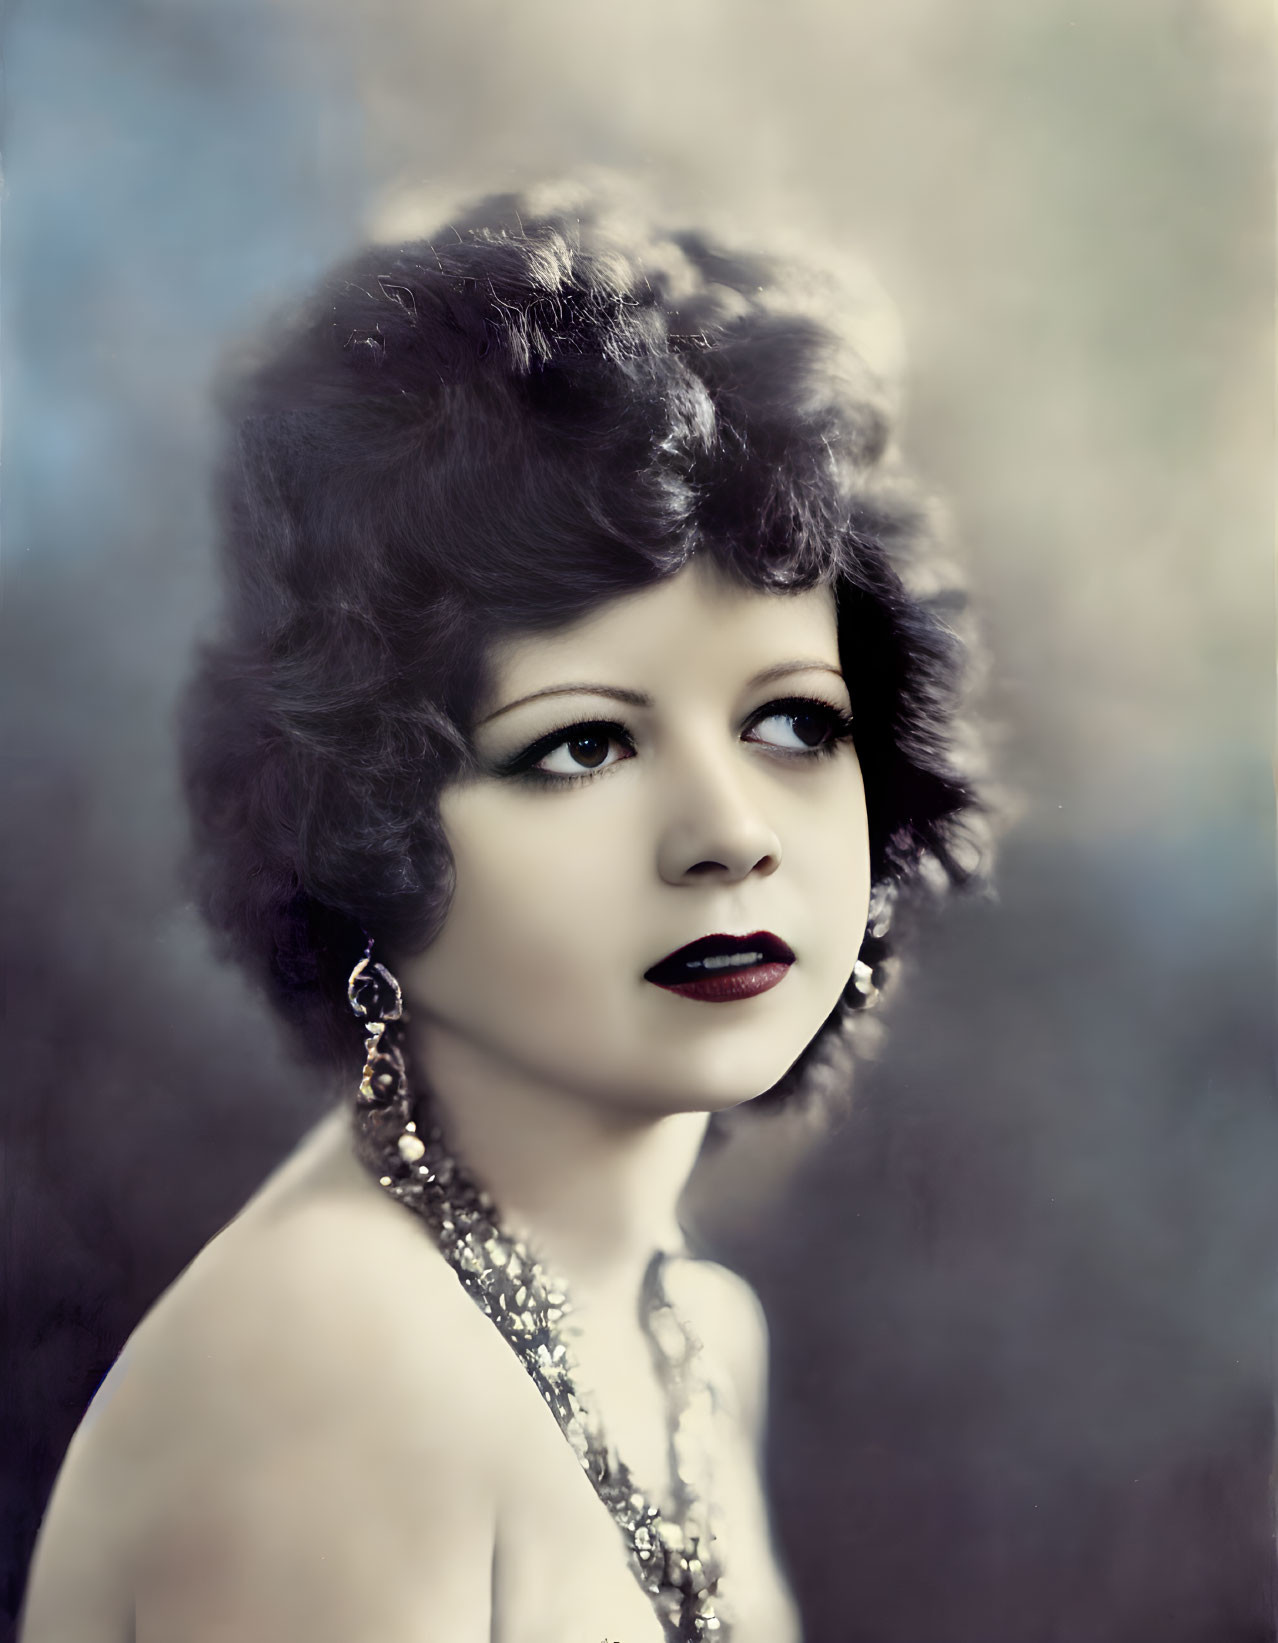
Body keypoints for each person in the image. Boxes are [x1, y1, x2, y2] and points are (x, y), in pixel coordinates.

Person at [20, 181, 984, 1643]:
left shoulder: (691, 1330)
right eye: (581, 743)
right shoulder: (338, 1369)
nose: (727, 835)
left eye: (791, 723)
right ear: (370, 825)